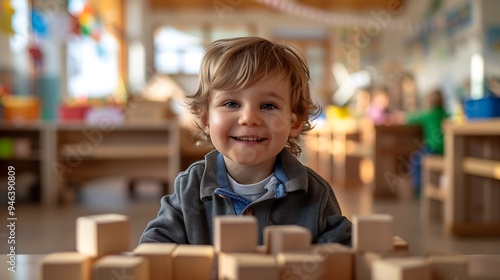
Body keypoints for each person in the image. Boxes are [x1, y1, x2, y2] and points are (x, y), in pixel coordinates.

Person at [140, 36, 352, 246]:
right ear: (205, 119)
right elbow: (155, 250)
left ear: (294, 123)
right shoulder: (189, 187)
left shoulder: (316, 194)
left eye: (268, 106)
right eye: (231, 103)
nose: (249, 118)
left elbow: (343, 258)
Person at [395, 89, 449, 194]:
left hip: (432, 148)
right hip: (445, 148)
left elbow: (410, 119)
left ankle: (419, 190)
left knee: (415, 161)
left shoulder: (429, 114)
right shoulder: (445, 113)